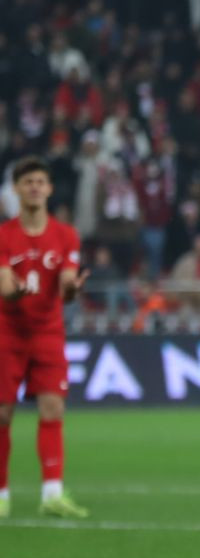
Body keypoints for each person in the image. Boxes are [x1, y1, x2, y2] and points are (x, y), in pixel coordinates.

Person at [0, 156, 90, 519]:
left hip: (48, 331)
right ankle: (1, 496)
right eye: (28, 182)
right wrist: (15, 291)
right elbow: (4, 286)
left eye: (40, 181)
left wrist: (72, 291)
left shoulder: (66, 234)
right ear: (17, 190)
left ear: (49, 189)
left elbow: (67, 281)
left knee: (53, 407)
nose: (35, 187)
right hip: (7, 332)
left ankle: (52, 493)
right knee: (3, 413)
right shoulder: (4, 235)